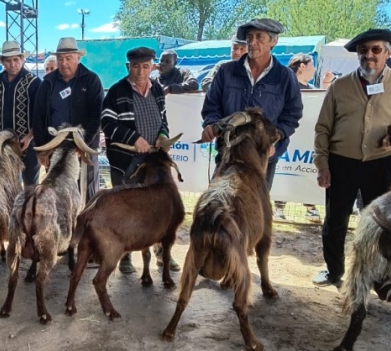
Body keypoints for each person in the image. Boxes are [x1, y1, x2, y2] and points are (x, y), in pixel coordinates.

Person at [311, 29, 391, 287]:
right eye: (363, 50)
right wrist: (322, 164)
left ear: (388, 53)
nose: (368, 55)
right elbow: (323, 128)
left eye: (376, 50)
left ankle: (378, 277)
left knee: (381, 223)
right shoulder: (340, 86)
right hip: (341, 163)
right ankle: (334, 271)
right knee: (335, 220)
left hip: (383, 164)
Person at [101, 46, 181, 274]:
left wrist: (163, 135)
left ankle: (161, 253)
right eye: (135, 66)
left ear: (152, 67)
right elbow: (106, 123)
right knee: (125, 210)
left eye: (145, 66)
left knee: (157, 210)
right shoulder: (117, 91)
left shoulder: (157, 89)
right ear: (129, 67)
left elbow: (163, 119)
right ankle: (124, 256)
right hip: (125, 160)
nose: (140, 71)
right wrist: (134, 138)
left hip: (154, 160)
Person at [201, 18, 303, 193]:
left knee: (253, 210)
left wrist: (275, 137)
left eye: (259, 37)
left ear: (273, 41)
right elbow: (212, 106)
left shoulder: (285, 76)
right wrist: (211, 123)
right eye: (249, 37)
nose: (252, 42)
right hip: (228, 151)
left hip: (263, 156)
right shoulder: (226, 71)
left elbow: (292, 114)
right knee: (218, 207)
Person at [32, 37, 104, 201]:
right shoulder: (47, 83)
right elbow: (38, 116)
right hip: (55, 148)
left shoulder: (91, 80)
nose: (64, 63)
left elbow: (97, 115)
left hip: (84, 147)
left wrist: (82, 144)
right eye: (60, 58)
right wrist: (42, 147)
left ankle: (85, 226)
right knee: (57, 195)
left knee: (86, 193)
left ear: (78, 58)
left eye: (68, 58)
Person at [278, 53, 333, 224]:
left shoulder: (311, 88)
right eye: (312, 65)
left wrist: (325, 85)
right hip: (287, 137)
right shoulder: (285, 85)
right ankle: (278, 208)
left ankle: (310, 207)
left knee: (305, 169)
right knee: (284, 172)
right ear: (302, 66)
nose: (314, 69)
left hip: (307, 139)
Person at [0, 40, 42, 185]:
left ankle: (29, 208)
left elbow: (40, 114)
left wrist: (30, 136)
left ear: (22, 59)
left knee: (30, 186)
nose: (12, 64)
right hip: (2, 145)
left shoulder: (34, 83)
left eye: (16, 59)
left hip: (26, 144)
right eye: (8, 60)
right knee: (5, 186)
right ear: (3, 62)